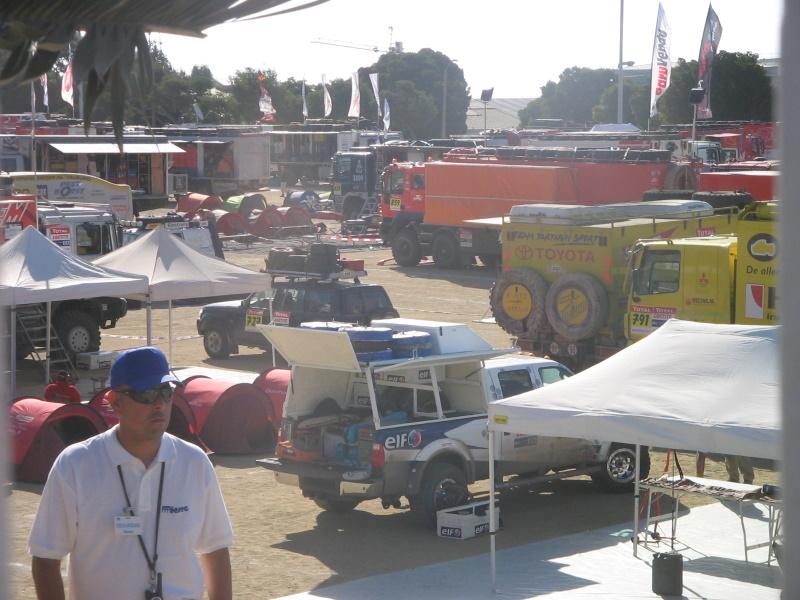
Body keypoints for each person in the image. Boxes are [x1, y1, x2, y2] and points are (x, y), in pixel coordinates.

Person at [29, 346, 233, 600]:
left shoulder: (195, 462)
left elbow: (215, 549)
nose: (159, 403)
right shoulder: (75, 465)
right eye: (146, 394)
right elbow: (46, 559)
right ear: (115, 402)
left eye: (165, 392)